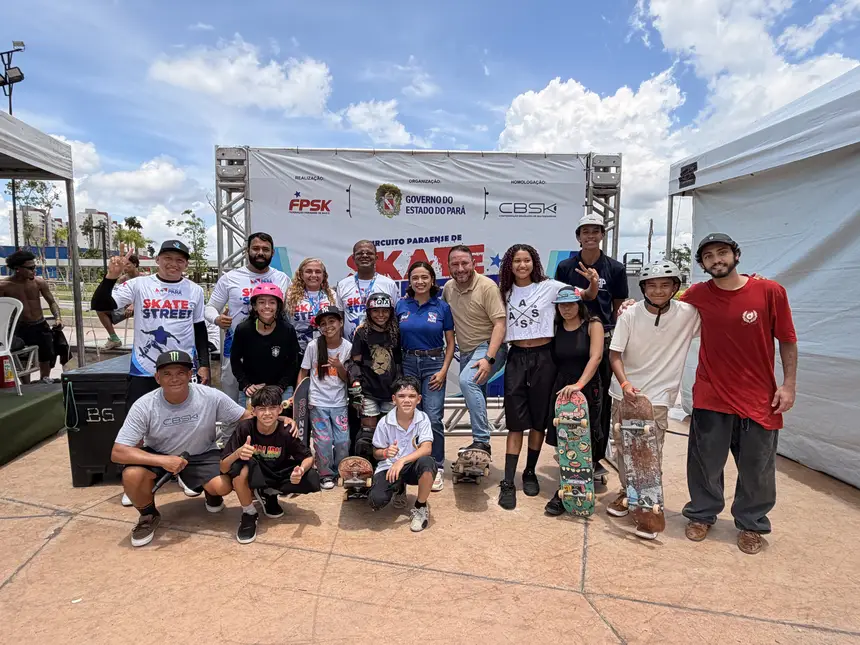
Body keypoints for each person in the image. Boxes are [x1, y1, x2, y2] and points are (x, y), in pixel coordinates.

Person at [680, 233, 797, 555]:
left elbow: (787, 339)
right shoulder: (697, 294)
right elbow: (664, 305)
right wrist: (634, 305)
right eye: (708, 256)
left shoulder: (769, 291)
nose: (716, 260)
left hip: (759, 397)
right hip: (711, 394)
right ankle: (702, 514)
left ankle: (751, 523)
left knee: (757, 467)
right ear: (702, 264)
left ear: (735, 255)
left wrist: (788, 385)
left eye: (722, 253)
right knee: (705, 462)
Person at [111, 350, 251, 547]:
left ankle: (212, 495)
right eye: (167, 374)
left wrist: (281, 421)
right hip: (159, 454)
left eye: (180, 373)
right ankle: (148, 515)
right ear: (157, 378)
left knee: (222, 485)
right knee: (132, 475)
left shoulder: (210, 396)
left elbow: (245, 417)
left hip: (202, 453)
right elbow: (118, 452)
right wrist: (163, 460)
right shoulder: (144, 405)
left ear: (190, 374)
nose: (174, 379)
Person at [497, 244, 598, 510]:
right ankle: (508, 481)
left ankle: (530, 472)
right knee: (515, 423)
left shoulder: (551, 286)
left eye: (527, 260)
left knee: (539, 421)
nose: (522, 265)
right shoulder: (503, 292)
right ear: (510, 265)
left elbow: (586, 296)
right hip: (516, 357)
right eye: (517, 261)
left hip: (544, 357)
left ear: (535, 262)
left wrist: (593, 283)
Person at [607, 260, 699, 538]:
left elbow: (719, 308)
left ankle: (649, 504)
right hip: (625, 391)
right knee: (623, 446)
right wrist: (625, 383)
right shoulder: (630, 314)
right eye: (652, 285)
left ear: (675, 287)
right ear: (644, 288)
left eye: (665, 285)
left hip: (658, 396)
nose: (658, 291)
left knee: (649, 451)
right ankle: (627, 491)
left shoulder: (689, 313)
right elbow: (615, 354)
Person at [554, 213, 629, 480]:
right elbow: (560, 299)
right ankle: (568, 451)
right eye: (585, 231)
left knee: (599, 403)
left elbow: (618, 306)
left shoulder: (615, 268)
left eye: (595, 231)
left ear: (602, 235)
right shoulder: (565, 267)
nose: (590, 236)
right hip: (571, 337)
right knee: (566, 398)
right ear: (578, 237)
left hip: (603, 337)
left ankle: (595, 457)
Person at [91, 242, 210, 407]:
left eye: (179, 260)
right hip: (144, 368)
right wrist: (111, 277)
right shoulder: (139, 284)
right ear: (157, 259)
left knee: (184, 416)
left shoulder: (195, 290)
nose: (173, 264)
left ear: (186, 264)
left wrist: (204, 364)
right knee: (139, 416)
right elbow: (100, 304)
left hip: (182, 369)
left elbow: (199, 329)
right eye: (168, 258)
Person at [220, 385, 319, 544]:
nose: (267, 413)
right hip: (256, 472)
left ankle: (269, 493)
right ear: (253, 411)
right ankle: (249, 513)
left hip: (276, 472)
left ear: (280, 409)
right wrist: (237, 453)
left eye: (272, 408)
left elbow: (308, 457)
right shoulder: (245, 428)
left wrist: (300, 470)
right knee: (239, 468)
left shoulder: (286, 430)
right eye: (262, 409)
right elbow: (223, 467)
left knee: (311, 477)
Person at [204, 232, 291, 402]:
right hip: (236, 346)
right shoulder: (230, 278)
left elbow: (290, 312)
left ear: (272, 253)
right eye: (256, 248)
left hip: (271, 347)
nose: (260, 253)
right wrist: (217, 319)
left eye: (265, 249)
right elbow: (210, 307)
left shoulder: (282, 279)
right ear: (247, 251)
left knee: (268, 400)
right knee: (231, 398)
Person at [543, 286, 604, 516]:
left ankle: (579, 486)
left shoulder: (592, 324)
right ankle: (567, 487)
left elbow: (596, 357)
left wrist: (579, 384)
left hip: (586, 387)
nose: (566, 309)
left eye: (570, 304)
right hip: (562, 388)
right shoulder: (556, 327)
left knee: (584, 438)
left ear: (579, 304)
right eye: (562, 305)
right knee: (564, 440)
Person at [441, 245, 507, 455]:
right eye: (455, 264)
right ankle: (480, 451)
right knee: (475, 397)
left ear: (474, 263)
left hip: (489, 347)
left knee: (467, 382)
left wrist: (489, 358)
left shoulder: (487, 286)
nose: (460, 268)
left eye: (464, 263)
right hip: (466, 351)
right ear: (448, 266)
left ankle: (481, 441)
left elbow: (500, 324)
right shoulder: (448, 288)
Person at [395, 261, 455, 491]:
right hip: (408, 364)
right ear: (409, 282)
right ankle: (412, 463)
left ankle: (436, 466)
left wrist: (443, 370)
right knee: (410, 416)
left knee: (433, 417)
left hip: (434, 365)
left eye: (424, 277)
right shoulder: (401, 305)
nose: (419, 282)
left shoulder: (441, 307)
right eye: (415, 278)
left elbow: (450, 343)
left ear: (432, 280)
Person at [368, 375, 436, 533]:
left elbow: (427, 448)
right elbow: (376, 453)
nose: (407, 400)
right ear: (394, 399)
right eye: (401, 396)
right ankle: (398, 488)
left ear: (419, 399)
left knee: (428, 462)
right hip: (389, 468)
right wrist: (385, 452)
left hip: (411, 466)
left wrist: (402, 461)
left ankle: (420, 506)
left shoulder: (423, 418)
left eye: (412, 396)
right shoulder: (384, 422)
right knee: (376, 501)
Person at [298, 305, 352, 489]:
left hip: (339, 402)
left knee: (342, 440)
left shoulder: (347, 347)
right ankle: (325, 474)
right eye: (323, 323)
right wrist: (300, 395)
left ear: (341, 322)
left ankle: (342, 471)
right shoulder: (313, 346)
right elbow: (303, 371)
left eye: (332, 321)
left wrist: (339, 366)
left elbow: (347, 378)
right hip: (318, 402)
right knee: (323, 441)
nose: (328, 326)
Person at [348, 292, 401, 460]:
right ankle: (366, 465)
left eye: (385, 311)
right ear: (369, 312)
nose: (380, 315)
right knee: (367, 432)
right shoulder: (362, 333)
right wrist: (356, 384)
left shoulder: (395, 332)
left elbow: (398, 361)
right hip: (369, 390)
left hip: (390, 390)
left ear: (391, 312)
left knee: (389, 431)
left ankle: (388, 464)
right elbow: (355, 362)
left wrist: (399, 384)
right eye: (376, 311)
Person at [229, 283, 300, 408]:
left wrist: (281, 386)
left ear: (278, 306)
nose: (267, 306)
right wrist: (245, 385)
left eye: (272, 302)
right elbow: (235, 360)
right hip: (252, 388)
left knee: (282, 419)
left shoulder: (287, 330)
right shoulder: (243, 329)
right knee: (249, 419)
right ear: (254, 306)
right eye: (261, 302)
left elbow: (293, 362)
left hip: (280, 389)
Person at [0, 250, 64, 384]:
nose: (34, 271)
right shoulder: (4, 286)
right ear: (17, 268)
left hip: (40, 324)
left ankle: (44, 379)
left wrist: (58, 318)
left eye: (34, 267)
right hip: (20, 327)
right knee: (23, 358)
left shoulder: (39, 282)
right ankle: (26, 385)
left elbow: (52, 302)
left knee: (46, 355)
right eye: (30, 268)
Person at [335, 240, 400, 341]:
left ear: (376, 257)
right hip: (351, 345)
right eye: (360, 253)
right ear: (353, 258)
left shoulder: (389, 284)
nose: (365, 256)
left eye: (369, 253)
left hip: (382, 345)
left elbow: (395, 316)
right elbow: (339, 318)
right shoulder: (343, 284)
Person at [285, 257, 336, 355]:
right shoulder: (290, 295)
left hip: (326, 351)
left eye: (318, 272)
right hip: (298, 352)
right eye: (308, 271)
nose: (313, 275)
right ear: (301, 274)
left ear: (324, 275)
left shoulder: (332, 295)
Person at [99, 253, 139, 350]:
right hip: (126, 307)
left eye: (128, 264)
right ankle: (114, 338)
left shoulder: (144, 278)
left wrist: (133, 305)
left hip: (143, 306)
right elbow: (120, 296)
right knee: (100, 309)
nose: (125, 266)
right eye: (124, 264)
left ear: (135, 264)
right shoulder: (123, 279)